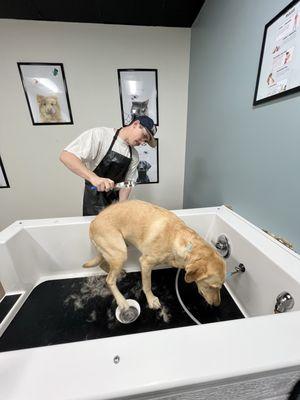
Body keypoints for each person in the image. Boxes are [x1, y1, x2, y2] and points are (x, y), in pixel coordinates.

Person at [60, 115, 157, 216]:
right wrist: (94, 178)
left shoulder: (134, 156)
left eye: (145, 141)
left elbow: (127, 184)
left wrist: (121, 207)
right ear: (136, 124)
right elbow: (66, 156)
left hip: (115, 204)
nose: (142, 142)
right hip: (93, 202)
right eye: (144, 136)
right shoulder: (101, 135)